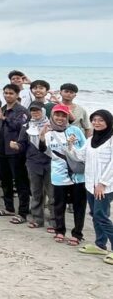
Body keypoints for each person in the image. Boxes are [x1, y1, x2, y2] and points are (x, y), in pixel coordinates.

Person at [68, 110, 113, 263]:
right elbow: (81, 156)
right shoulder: (91, 139)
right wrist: (71, 145)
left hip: (105, 186)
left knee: (101, 215)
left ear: (108, 122)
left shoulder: (111, 139)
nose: (96, 123)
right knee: (95, 214)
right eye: (94, 120)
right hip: (90, 184)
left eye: (101, 120)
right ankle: (100, 245)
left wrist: (103, 183)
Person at [40, 104, 86, 246]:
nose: (60, 118)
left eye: (63, 115)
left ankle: (77, 233)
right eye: (57, 115)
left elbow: (85, 149)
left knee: (79, 206)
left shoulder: (76, 130)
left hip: (78, 176)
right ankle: (60, 230)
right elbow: (43, 151)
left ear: (67, 117)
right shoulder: (48, 133)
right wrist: (41, 137)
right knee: (59, 205)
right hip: (59, 175)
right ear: (52, 116)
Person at [13, 101, 55, 231]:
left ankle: (54, 222)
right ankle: (38, 219)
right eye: (32, 111)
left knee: (52, 194)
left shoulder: (52, 126)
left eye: (38, 110)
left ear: (43, 111)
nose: (35, 113)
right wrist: (17, 146)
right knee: (36, 192)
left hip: (50, 163)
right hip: (33, 163)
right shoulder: (26, 127)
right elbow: (22, 144)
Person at [0, 84, 30, 223]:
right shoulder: (2, 109)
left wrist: (5, 119)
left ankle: (23, 213)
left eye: (11, 93)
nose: (8, 95)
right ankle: (9, 208)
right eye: (6, 93)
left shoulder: (22, 110)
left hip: (15, 151)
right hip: (1, 150)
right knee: (5, 181)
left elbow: (22, 126)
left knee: (20, 182)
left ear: (17, 95)